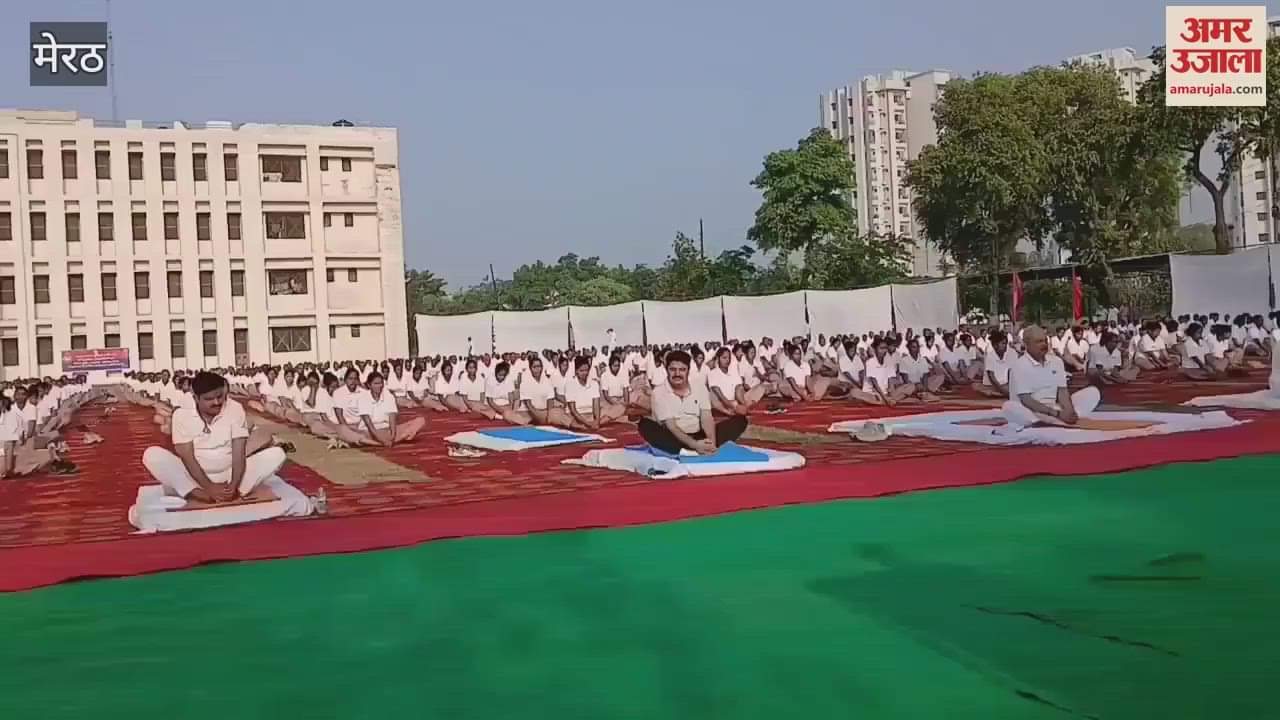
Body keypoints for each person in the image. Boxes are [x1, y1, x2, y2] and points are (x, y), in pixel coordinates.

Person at [141, 372, 287, 506]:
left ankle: (234, 492)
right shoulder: (182, 415)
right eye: (209, 399)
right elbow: (187, 457)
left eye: (219, 397)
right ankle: (197, 493)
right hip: (193, 476)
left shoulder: (235, 409)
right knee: (152, 455)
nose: (216, 402)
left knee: (277, 454)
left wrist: (233, 485)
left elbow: (239, 453)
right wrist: (208, 487)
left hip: (230, 474)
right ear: (196, 398)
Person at [638, 350, 748, 455]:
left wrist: (711, 444)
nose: (677, 374)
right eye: (673, 369)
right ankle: (687, 451)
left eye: (682, 369)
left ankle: (700, 449)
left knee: (740, 421)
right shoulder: (659, 392)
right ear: (667, 370)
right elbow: (671, 426)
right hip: (674, 438)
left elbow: (707, 418)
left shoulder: (699, 387)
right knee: (645, 425)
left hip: (699, 435)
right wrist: (695, 445)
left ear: (688, 371)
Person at [1001, 326, 1100, 431]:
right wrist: (1056, 414)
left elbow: (1062, 391)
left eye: (1045, 340)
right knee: (1009, 406)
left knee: (1092, 393)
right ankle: (1045, 422)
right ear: (1026, 344)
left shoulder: (1056, 362)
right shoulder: (1019, 365)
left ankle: (1067, 417)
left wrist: (1069, 410)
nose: (1044, 344)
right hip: (1031, 412)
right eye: (1039, 341)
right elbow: (1026, 400)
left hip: (1055, 407)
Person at [976, 330, 1013, 398]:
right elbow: (992, 377)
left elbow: (1010, 372)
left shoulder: (1009, 354)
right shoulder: (990, 356)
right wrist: (1003, 391)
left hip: (1004, 384)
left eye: (1006, 343)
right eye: (1003, 343)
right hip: (992, 385)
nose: (1005, 346)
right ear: (995, 345)